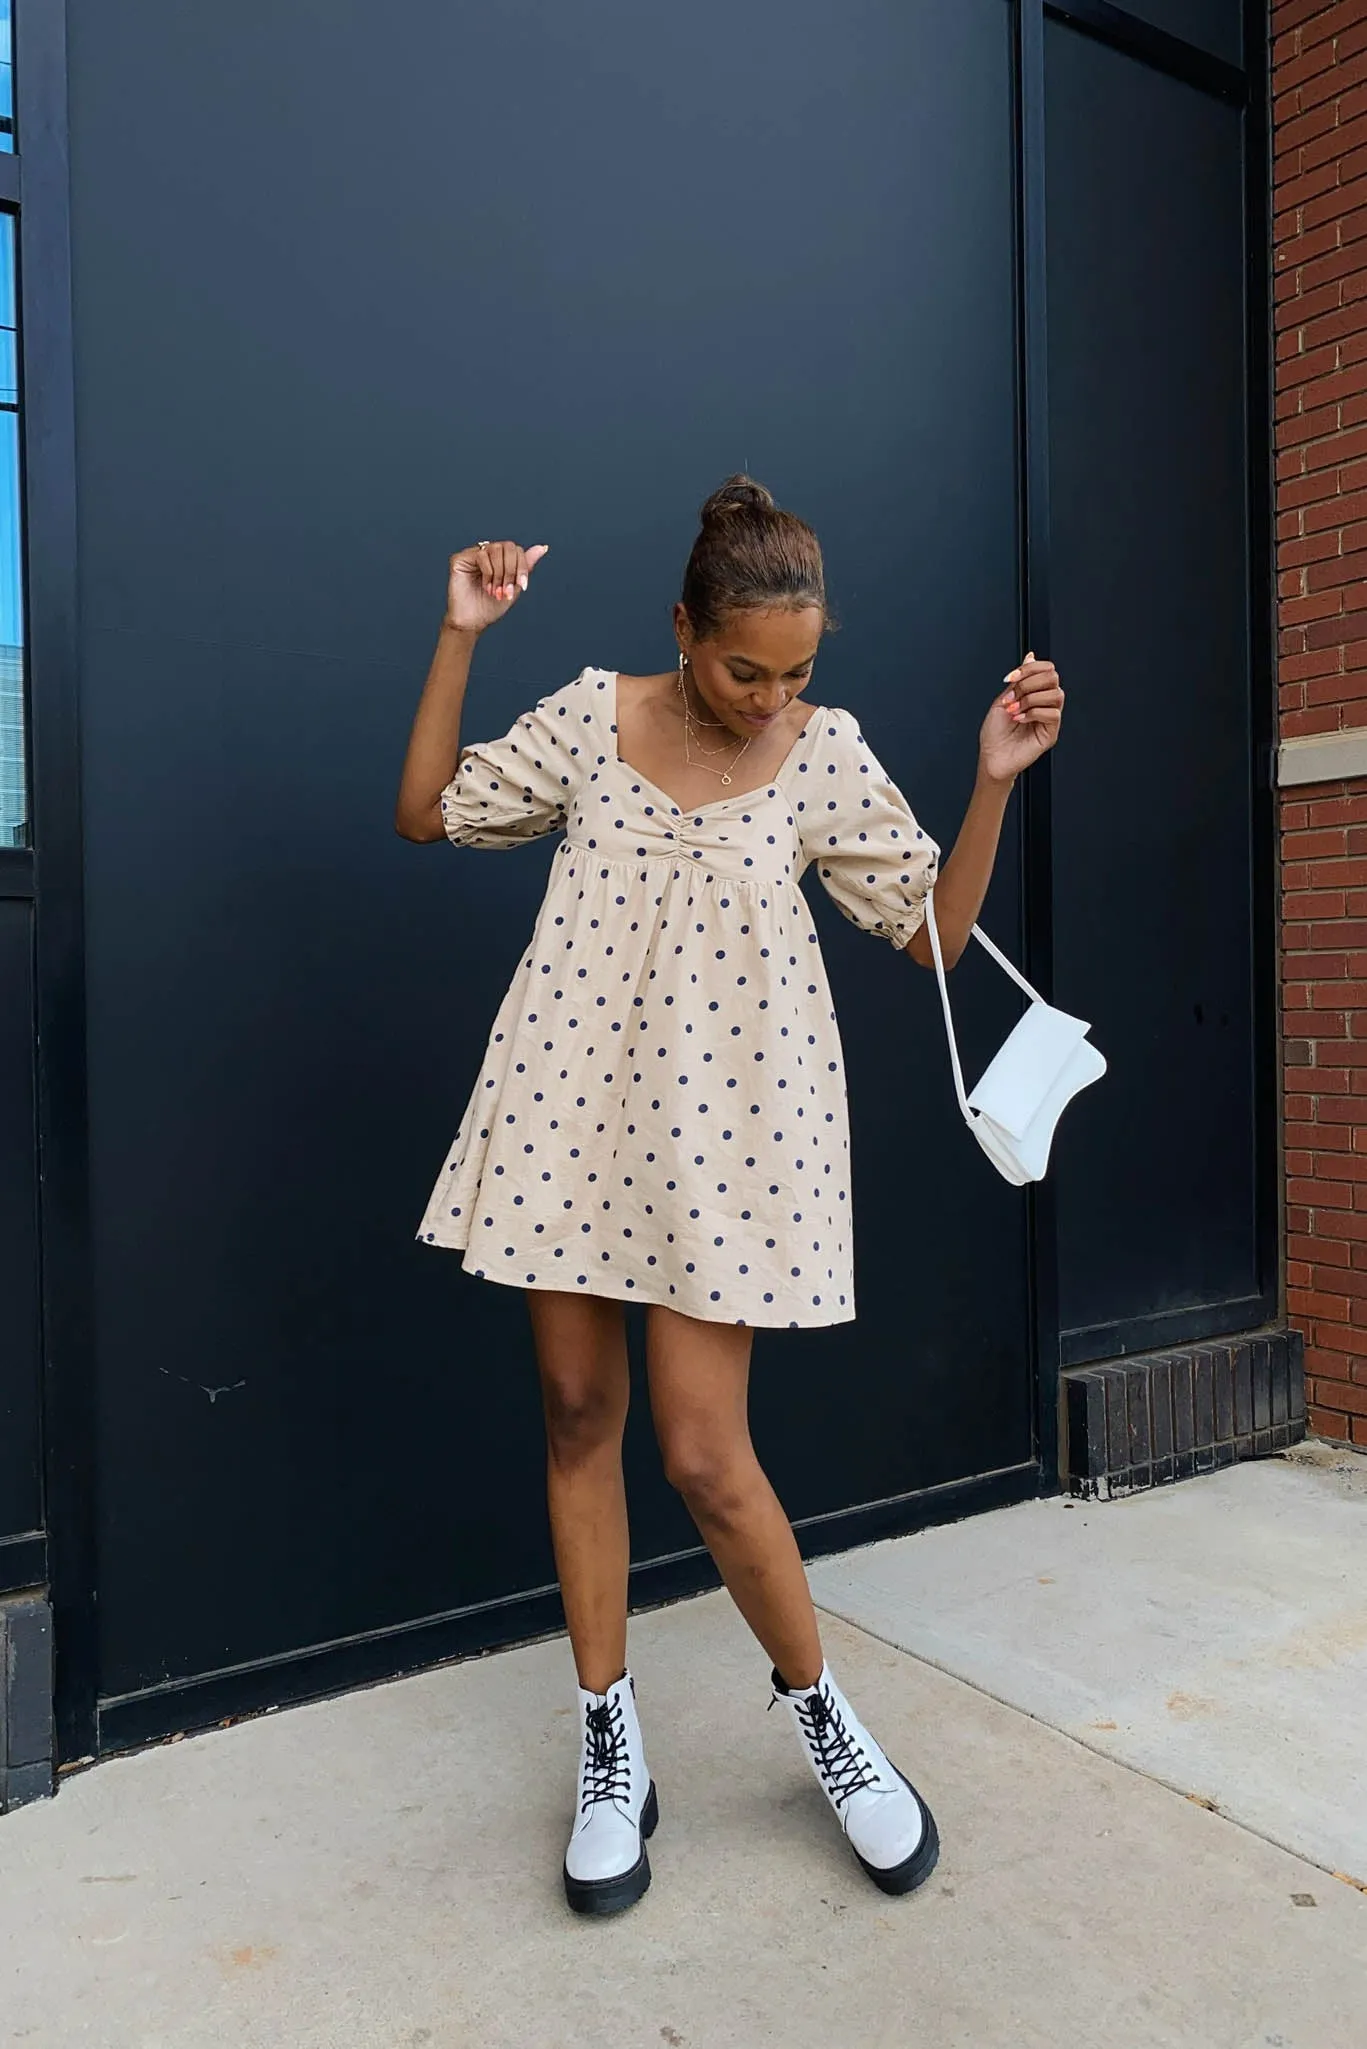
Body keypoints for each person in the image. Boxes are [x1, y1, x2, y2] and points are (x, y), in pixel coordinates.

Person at [395, 477, 1064, 1917]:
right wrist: (460, 634)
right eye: (741, 667)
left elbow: (929, 940)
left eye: (797, 672)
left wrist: (992, 778)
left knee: (707, 1459)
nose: (770, 697)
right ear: (681, 627)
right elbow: (423, 814)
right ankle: (606, 1742)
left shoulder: (824, 756)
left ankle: (823, 1716)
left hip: (730, 1141)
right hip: (570, 1113)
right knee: (580, 1419)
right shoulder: (589, 717)